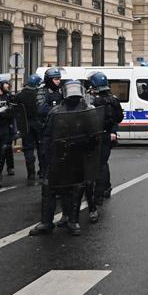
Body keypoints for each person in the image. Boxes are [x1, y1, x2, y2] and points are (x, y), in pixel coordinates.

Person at [29, 80, 93, 236]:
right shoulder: (56, 111)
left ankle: (72, 220)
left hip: (76, 156)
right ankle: (47, 222)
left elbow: (93, 135)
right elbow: (48, 136)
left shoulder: (86, 111)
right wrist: (46, 157)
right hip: (59, 155)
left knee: (74, 188)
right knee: (49, 186)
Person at [82, 72, 124, 223]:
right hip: (107, 136)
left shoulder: (94, 100)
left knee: (94, 165)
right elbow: (119, 118)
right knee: (103, 163)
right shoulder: (113, 100)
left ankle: (96, 195)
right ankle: (105, 189)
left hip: (95, 135)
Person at [15, 74, 43, 181]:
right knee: (41, 148)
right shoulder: (38, 95)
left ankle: (30, 172)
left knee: (28, 149)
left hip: (25, 125)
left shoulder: (20, 95)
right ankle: (42, 171)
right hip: (38, 124)